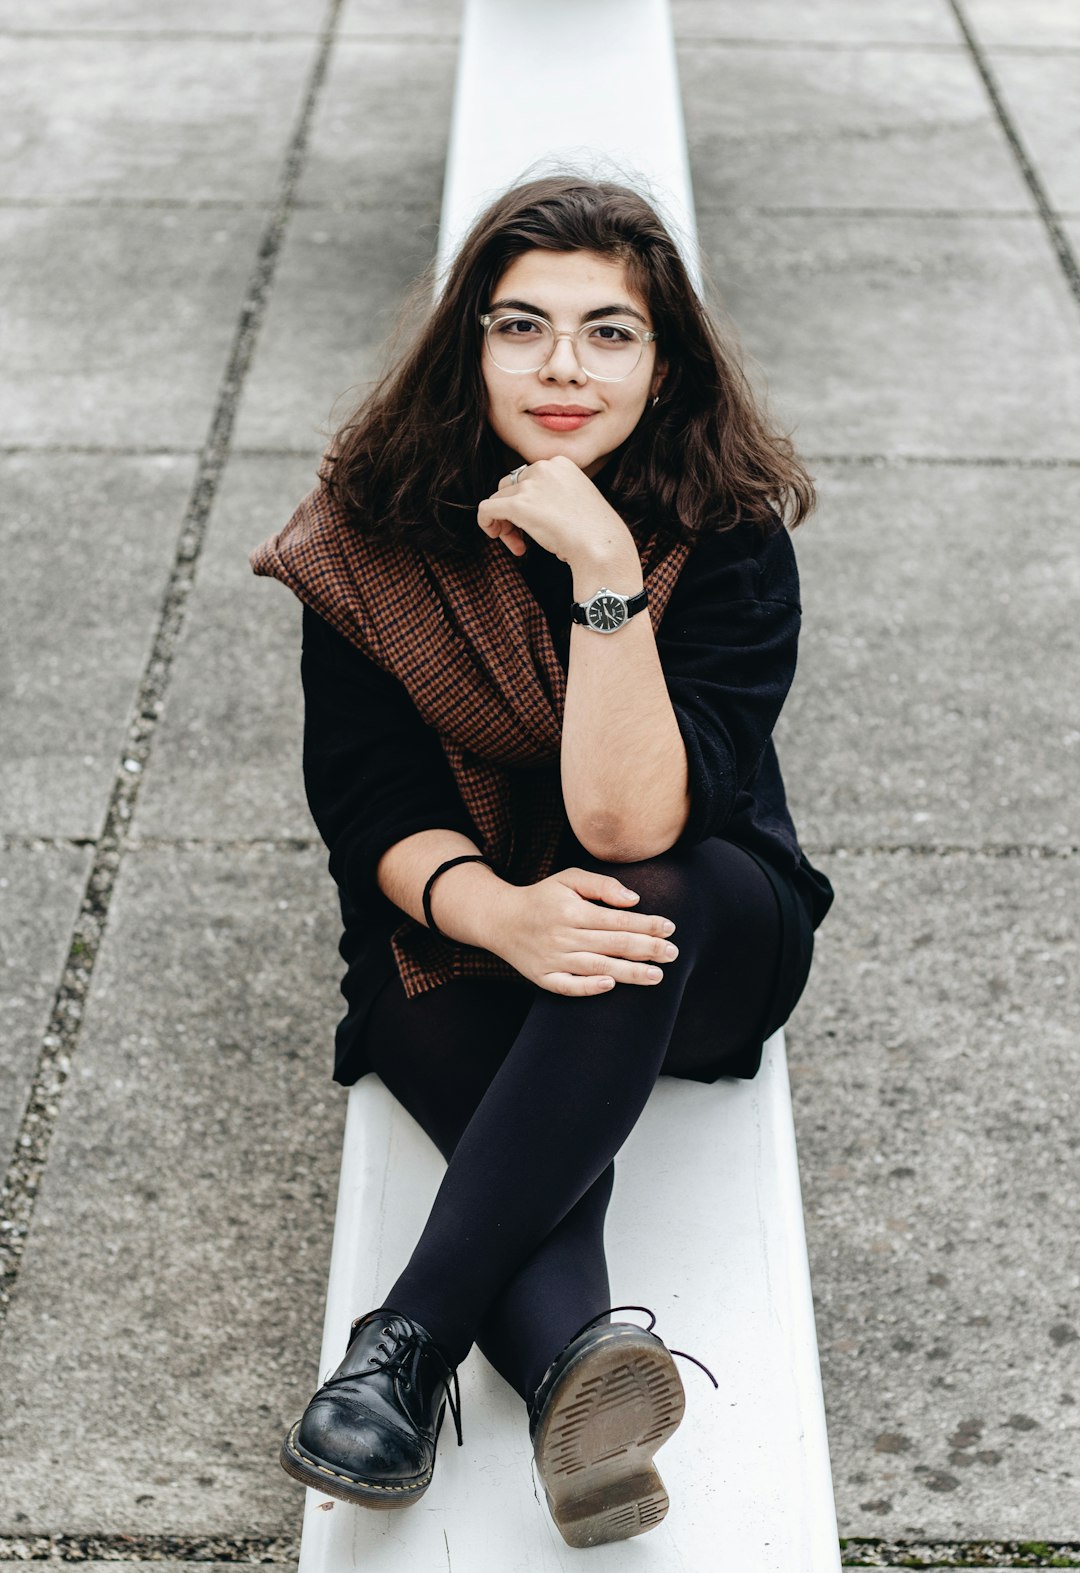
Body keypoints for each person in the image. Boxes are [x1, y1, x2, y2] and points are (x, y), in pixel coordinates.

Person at [251, 174, 832, 1548]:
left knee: (636, 904)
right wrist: (497, 913)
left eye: (608, 331)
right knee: (480, 1015)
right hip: (448, 913)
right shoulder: (371, 529)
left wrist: (606, 569)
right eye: (522, 326)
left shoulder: (730, 532)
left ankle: (404, 1343)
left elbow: (639, 826)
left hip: (701, 931)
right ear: (470, 346)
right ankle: (583, 1375)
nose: (564, 364)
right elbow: (368, 796)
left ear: (664, 357)